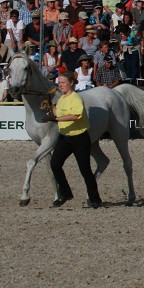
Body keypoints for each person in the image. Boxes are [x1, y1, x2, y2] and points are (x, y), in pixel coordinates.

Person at [48, 71, 102, 208]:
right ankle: (66, 193)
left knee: (85, 170)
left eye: (63, 82)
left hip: (80, 138)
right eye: (59, 83)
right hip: (65, 137)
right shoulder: (61, 99)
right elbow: (57, 112)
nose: (60, 85)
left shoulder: (76, 98)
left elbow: (75, 115)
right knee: (55, 164)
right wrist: (49, 104)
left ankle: (95, 199)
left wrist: (56, 118)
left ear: (71, 83)